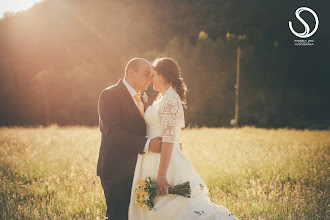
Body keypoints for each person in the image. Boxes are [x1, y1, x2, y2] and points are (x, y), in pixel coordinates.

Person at [128, 57, 239, 220]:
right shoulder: (163, 98)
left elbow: (168, 139)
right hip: (151, 158)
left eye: (154, 74)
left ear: (163, 77)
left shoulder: (170, 100)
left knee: (173, 209)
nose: (151, 78)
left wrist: (161, 176)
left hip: (163, 163)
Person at [96, 58, 164, 220]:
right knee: (118, 216)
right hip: (116, 169)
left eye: (152, 75)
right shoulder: (110, 94)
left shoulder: (143, 97)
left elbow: (144, 129)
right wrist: (147, 144)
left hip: (138, 169)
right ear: (131, 73)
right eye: (146, 74)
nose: (150, 79)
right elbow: (113, 132)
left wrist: (167, 145)